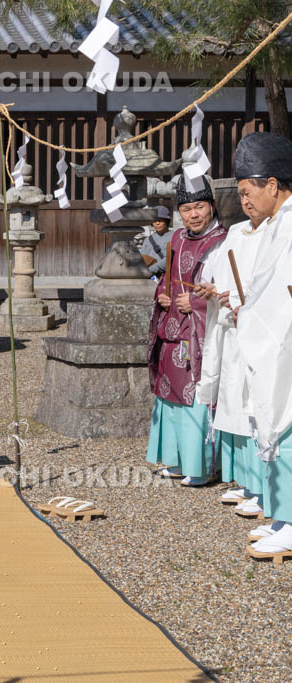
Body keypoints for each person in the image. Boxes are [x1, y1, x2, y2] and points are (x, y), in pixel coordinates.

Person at [223, 132, 292, 557]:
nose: (245, 202)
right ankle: (284, 515)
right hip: (275, 336)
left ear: (272, 184)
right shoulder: (274, 225)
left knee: (285, 420)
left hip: (284, 337)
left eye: (249, 192)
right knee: (277, 423)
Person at [146, 175, 227, 486]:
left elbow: (227, 288)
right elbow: (168, 276)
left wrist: (194, 301)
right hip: (173, 328)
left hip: (198, 332)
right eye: (186, 208)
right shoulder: (177, 239)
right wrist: (162, 295)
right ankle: (178, 460)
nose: (193, 214)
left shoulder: (223, 240)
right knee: (169, 398)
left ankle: (202, 465)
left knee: (195, 397)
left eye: (200, 207)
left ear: (212, 206)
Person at [194, 209, 267, 514]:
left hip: (257, 331)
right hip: (231, 329)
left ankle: (264, 489)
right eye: (242, 195)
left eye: (250, 192)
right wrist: (213, 291)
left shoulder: (276, 232)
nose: (246, 201)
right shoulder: (236, 232)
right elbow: (222, 279)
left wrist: (241, 299)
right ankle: (245, 481)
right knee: (234, 406)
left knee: (256, 409)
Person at [138, 205, 174, 278]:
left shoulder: (173, 236)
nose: (157, 223)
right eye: (155, 220)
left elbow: (168, 260)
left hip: (165, 277)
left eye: (160, 220)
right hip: (149, 277)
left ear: (166, 221)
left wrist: (150, 270)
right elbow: (142, 259)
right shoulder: (148, 239)